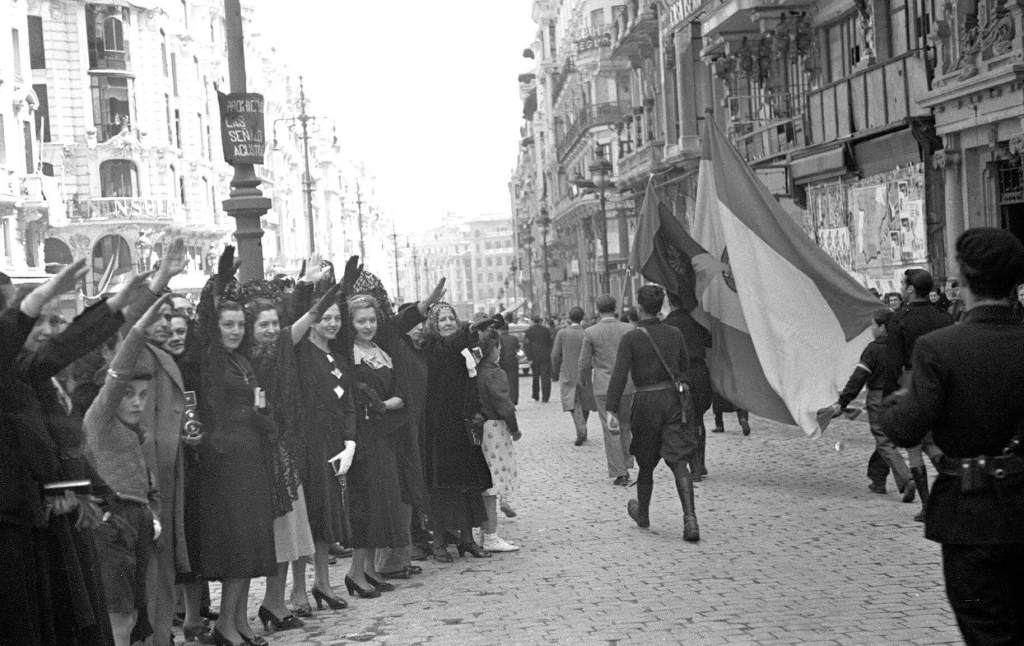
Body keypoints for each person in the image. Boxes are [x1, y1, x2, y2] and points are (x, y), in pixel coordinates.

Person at [881, 227, 1024, 645]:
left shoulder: (939, 348)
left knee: (987, 632)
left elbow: (906, 427)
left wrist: (895, 404)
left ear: (963, 279)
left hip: (972, 511)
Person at [84, 296, 170, 646]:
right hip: (111, 522)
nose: (136, 401)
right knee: (118, 616)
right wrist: (137, 329)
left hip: (137, 521)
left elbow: (150, 487)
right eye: (128, 395)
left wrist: (153, 515)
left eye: (143, 394)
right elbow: (117, 374)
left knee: (134, 616)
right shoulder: (99, 420)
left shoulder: (135, 434)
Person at [191, 298, 277, 646]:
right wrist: (223, 281)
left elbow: (258, 401)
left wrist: (262, 417)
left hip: (251, 456)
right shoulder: (211, 359)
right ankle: (224, 625)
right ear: (216, 326)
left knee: (251, 544)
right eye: (229, 324)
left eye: (240, 325)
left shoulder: (242, 359)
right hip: (226, 463)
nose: (236, 331)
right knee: (237, 546)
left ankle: (239, 621)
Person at [606, 285, 700, 541]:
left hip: (646, 401)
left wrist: (611, 408)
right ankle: (690, 520)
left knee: (646, 462)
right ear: (660, 307)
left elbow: (619, 374)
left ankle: (644, 513)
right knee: (679, 461)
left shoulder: (632, 338)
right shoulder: (675, 333)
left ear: (639, 306)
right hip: (672, 400)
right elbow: (684, 367)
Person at [342, 294, 410, 598]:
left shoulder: (381, 352)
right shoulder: (349, 353)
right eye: (361, 321)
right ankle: (355, 572)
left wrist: (384, 404)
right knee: (366, 503)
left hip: (383, 433)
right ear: (351, 323)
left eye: (371, 320)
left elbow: (400, 395)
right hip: (363, 436)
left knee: (382, 502)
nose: (367, 326)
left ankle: (369, 569)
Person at [421, 302, 494, 561]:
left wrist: (477, 412)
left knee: (468, 484)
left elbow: (471, 380)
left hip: (462, 424)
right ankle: (439, 541)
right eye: (442, 320)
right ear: (434, 324)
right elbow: (446, 349)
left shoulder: (463, 348)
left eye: (451, 318)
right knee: (444, 486)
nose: (448, 323)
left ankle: (467, 539)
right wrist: (470, 328)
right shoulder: (432, 347)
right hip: (440, 427)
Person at [821, 309, 915, 502]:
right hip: (900, 395)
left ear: (882, 327)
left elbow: (858, 377)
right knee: (888, 438)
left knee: (883, 440)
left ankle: (907, 479)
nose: (872, 329)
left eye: (873, 325)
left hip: (879, 397)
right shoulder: (901, 348)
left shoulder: (873, 349)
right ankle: (877, 478)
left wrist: (842, 401)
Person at [890, 268, 954, 521]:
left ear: (911, 289)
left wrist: (891, 394)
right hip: (942, 380)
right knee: (936, 440)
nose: (903, 288)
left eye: (904, 285)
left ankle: (928, 506)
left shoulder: (900, 319)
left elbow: (893, 360)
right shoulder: (944, 317)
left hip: (912, 380)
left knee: (915, 444)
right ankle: (953, 489)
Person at [579, 295, 635, 486]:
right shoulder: (628, 329)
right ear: (615, 307)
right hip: (627, 386)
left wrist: (583, 381)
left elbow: (584, 363)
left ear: (597, 309)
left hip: (604, 387)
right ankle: (627, 463)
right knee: (626, 426)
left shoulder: (591, 332)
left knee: (611, 428)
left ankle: (619, 471)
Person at [476, 328, 522, 552]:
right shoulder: (495, 373)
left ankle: (486, 534)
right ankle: (491, 535)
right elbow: (504, 404)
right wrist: (514, 428)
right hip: (495, 429)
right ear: (493, 350)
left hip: (481, 428)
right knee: (493, 483)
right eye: (498, 347)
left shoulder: (476, 371)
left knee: (487, 483)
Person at [663, 292, 713, 479]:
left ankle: (694, 467)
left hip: (681, 377)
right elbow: (710, 341)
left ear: (669, 301)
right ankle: (700, 462)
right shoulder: (696, 323)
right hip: (700, 374)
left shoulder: (667, 325)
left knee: (686, 422)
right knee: (698, 419)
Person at [550, 306, 594, 446]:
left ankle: (580, 429)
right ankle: (583, 426)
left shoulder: (562, 333)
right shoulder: (587, 332)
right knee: (585, 402)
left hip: (568, 371)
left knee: (572, 402)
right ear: (582, 317)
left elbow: (555, 355)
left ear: (569, 317)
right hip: (585, 372)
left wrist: (555, 371)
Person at [523, 316, 553, 402]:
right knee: (545, 377)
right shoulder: (546, 330)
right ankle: (545, 396)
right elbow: (550, 343)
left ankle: (536, 394)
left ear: (532, 321)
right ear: (539, 321)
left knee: (535, 376)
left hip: (534, 356)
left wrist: (529, 357)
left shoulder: (529, 331)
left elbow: (526, 345)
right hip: (545, 356)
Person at [497, 316, 521, 405]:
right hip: (512, 361)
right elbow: (517, 349)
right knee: (513, 382)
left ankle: (504, 400)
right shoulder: (514, 338)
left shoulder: (498, 339)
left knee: (502, 382)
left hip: (501, 362)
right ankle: (513, 399)